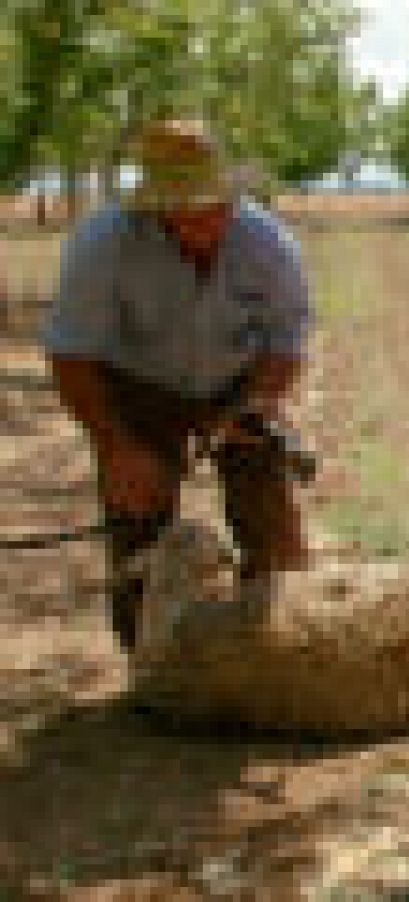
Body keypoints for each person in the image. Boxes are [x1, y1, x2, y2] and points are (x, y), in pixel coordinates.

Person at [41, 118, 313, 654]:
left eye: (215, 208)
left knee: (273, 521)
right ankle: (150, 664)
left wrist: (255, 406)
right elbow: (71, 353)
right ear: (156, 206)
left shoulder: (270, 245)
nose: (203, 223)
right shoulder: (102, 245)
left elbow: (285, 345)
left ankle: (280, 651)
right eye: (186, 213)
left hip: (239, 382)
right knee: (139, 518)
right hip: (139, 387)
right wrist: (116, 447)